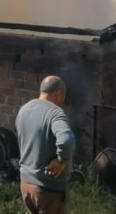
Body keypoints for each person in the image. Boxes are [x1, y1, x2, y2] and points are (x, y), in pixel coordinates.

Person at [16, 75, 75, 214]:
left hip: (26, 185)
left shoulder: (23, 110)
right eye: (64, 96)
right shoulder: (55, 113)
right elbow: (67, 140)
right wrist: (61, 161)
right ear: (59, 93)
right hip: (47, 190)